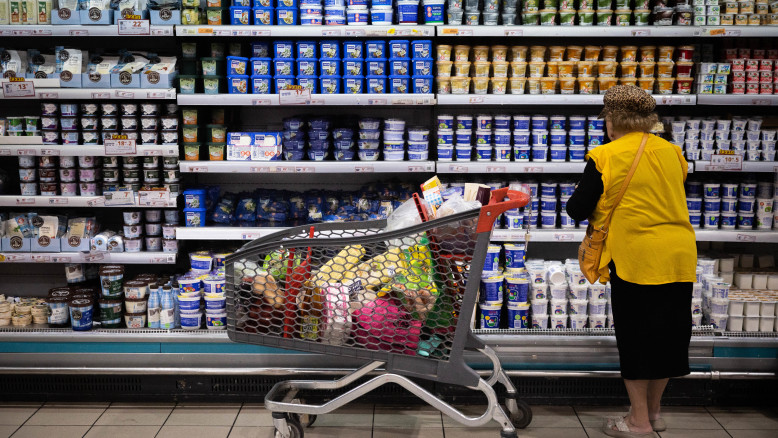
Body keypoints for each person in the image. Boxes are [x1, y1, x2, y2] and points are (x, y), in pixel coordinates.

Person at [566, 85, 697, 438]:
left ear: (611, 121)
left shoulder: (606, 155)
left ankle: (637, 422)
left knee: (637, 340)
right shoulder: (672, 152)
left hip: (636, 258)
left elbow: (576, 209)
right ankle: (654, 414)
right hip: (679, 255)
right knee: (668, 338)